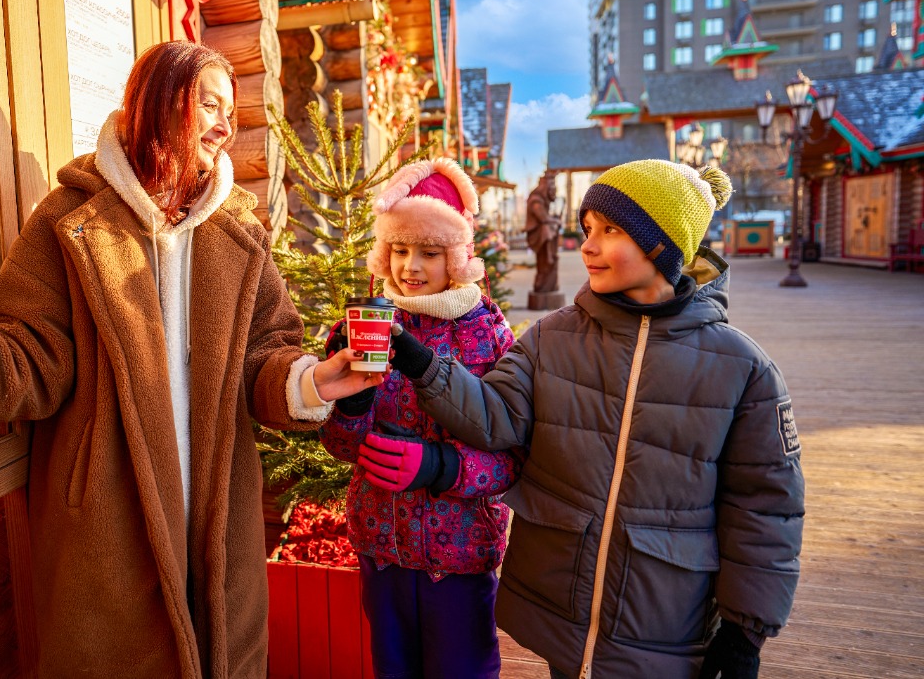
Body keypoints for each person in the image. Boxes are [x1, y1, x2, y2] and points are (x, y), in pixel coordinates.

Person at [0, 41, 376, 678]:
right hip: (106, 533)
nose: (227, 126)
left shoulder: (237, 232)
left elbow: (261, 358)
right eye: (210, 105)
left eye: (233, 111)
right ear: (159, 105)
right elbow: (21, 358)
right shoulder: (69, 221)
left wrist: (311, 380)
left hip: (217, 520)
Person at [373, 160, 805, 678]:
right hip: (567, 610)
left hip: (664, 618)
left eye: (611, 231)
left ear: (662, 247)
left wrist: (744, 631)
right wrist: (422, 363)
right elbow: (496, 417)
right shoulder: (551, 338)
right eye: (588, 230)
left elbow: (765, 506)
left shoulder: (742, 369)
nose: (588, 246)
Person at [319, 158, 526, 679]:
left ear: (456, 257)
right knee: (393, 668)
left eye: (429, 253)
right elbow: (343, 446)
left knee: (463, 669)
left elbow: (512, 458)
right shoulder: (362, 325)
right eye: (400, 249)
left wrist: (439, 466)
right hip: (381, 545)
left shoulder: (489, 335)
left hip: (458, 552)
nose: (410, 267)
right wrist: (350, 400)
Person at [525, 171, 561, 294]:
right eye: (552, 187)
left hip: (543, 236)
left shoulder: (542, 199)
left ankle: (549, 285)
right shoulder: (536, 200)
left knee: (548, 263)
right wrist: (555, 221)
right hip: (539, 237)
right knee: (544, 263)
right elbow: (543, 218)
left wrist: (554, 220)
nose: (554, 190)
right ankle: (542, 285)